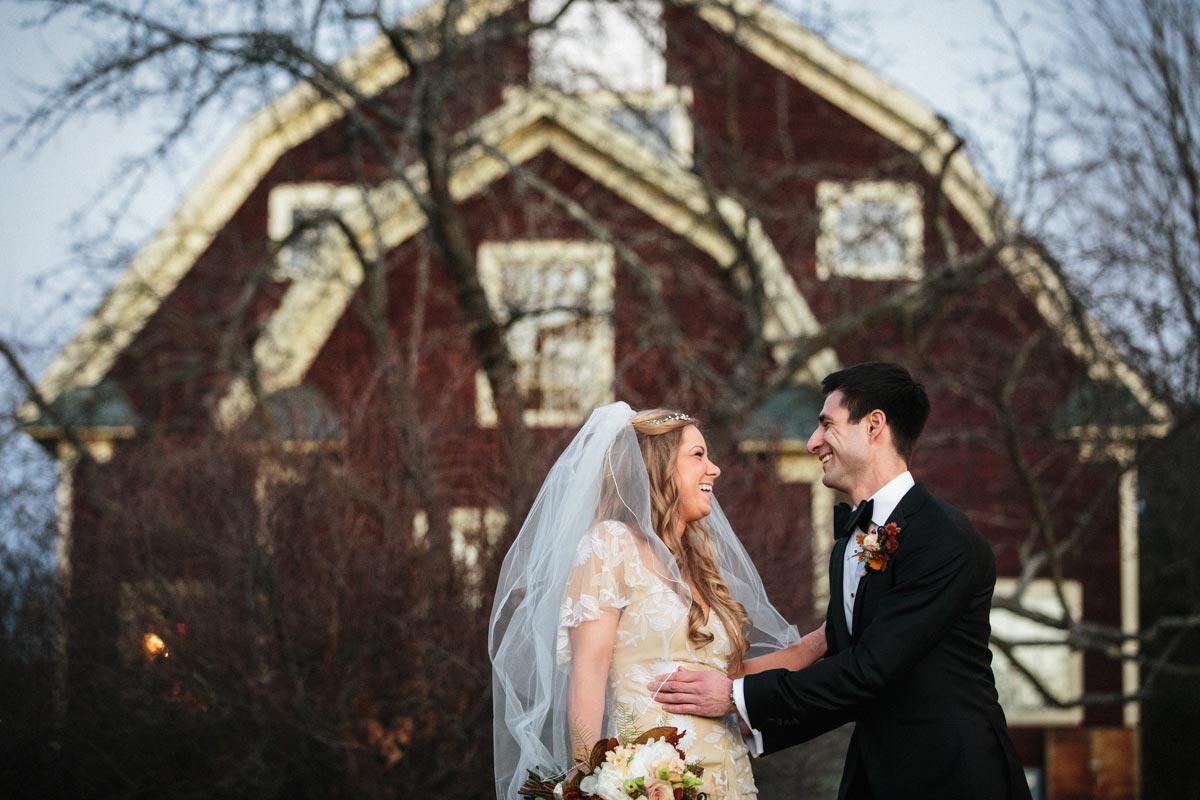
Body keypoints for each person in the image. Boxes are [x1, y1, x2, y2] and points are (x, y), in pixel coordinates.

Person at [652, 363, 1032, 800]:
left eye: (827, 425)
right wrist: (739, 728)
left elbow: (869, 671)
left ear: (874, 426)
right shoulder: (848, 547)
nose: (813, 442)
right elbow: (846, 675)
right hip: (876, 776)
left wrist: (739, 696)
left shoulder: (944, 539)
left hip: (954, 777)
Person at [490, 403, 826, 800]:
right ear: (658, 466)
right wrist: (590, 784)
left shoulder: (701, 564)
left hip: (729, 778)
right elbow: (589, 673)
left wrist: (819, 642)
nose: (713, 469)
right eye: (698, 455)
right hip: (650, 782)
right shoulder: (610, 544)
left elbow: (728, 679)